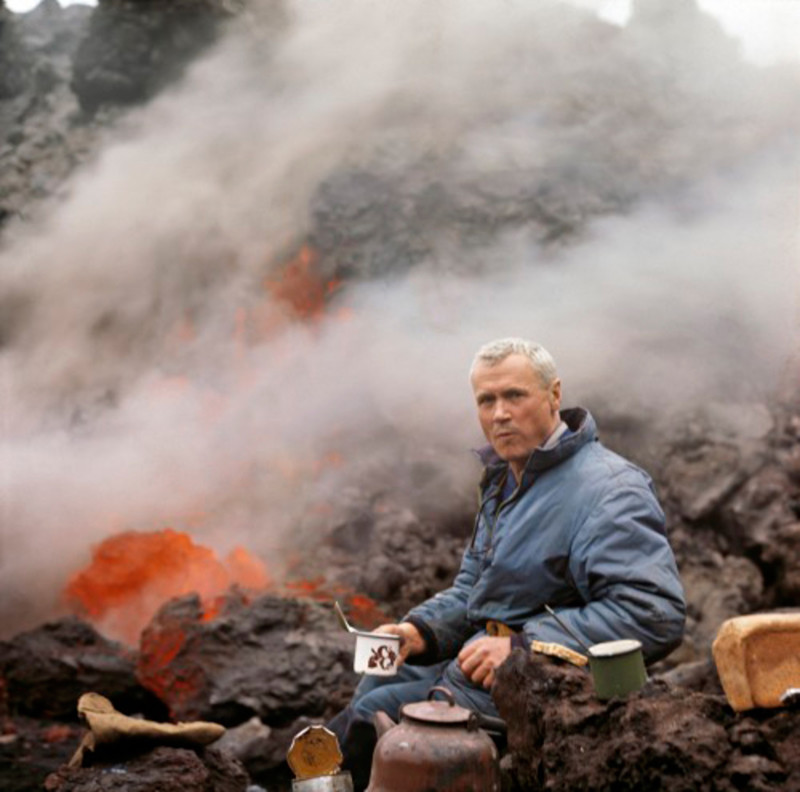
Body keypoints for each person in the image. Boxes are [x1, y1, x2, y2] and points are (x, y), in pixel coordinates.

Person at [328, 337, 685, 787]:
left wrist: (520, 648)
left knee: (373, 720)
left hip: (541, 689)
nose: (499, 413)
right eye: (487, 400)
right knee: (378, 681)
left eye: (515, 395)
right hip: (476, 665)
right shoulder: (505, 480)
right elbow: (474, 589)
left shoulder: (611, 491)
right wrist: (419, 632)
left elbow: (653, 613)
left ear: (554, 395)